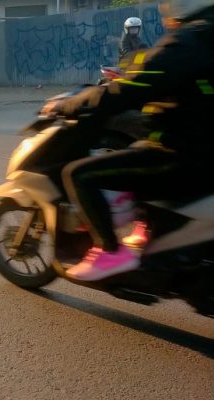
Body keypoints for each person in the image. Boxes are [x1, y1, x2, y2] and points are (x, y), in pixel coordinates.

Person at [47, 0, 214, 281]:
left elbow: (131, 88)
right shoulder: (203, 38)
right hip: (201, 152)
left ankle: (109, 251)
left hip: (183, 156)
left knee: (78, 174)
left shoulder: (187, 43)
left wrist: (73, 103)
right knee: (134, 149)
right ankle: (146, 223)